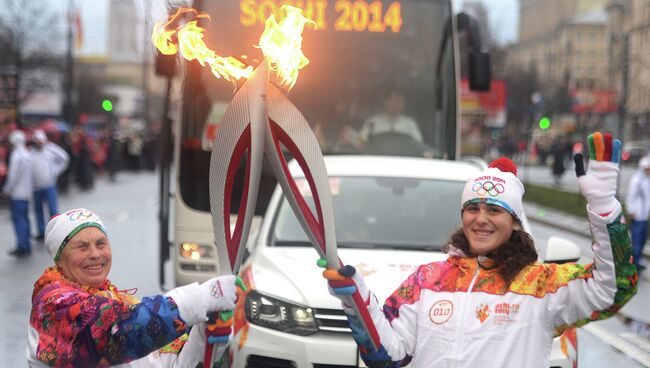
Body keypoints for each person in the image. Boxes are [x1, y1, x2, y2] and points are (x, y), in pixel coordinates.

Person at [321, 132, 637, 367]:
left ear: (514, 221)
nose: (481, 219)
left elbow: (614, 288)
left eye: (494, 211)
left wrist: (604, 207)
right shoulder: (428, 280)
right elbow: (386, 356)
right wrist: (355, 298)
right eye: (473, 208)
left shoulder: (541, 286)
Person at [28, 208, 240, 367]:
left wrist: (201, 340)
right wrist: (200, 299)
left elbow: (152, 362)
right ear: (60, 259)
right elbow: (119, 332)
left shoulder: (112, 298)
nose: (95, 254)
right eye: (81, 247)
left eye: (101, 244)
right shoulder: (53, 304)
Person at [31, 130, 70, 240]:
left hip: (49, 185)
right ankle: (41, 231)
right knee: (38, 210)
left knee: (53, 210)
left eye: (41, 141)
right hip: (36, 186)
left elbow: (65, 158)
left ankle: (55, 230)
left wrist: (56, 171)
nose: (39, 144)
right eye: (37, 141)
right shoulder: (31, 152)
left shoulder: (51, 149)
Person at [2, 130, 33, 257]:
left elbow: (13, 176)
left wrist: (7, 189)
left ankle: (22, 246)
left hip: (17, 194)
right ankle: (26, 244)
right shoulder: (27, 153)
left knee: (19, 220)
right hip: (27, 192)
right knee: (25, 219)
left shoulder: (16, 155)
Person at [358, 88, 423, 145]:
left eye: (399, 101)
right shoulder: (372, 122)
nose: (396, 104)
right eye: (393, 100)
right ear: (386, 103)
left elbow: (418, 145)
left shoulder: (410, 123)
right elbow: (361, 142)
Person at [626, 156, 650, 271]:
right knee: (636, 241)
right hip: (637, 215)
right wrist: (631, 211)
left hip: (644, 216)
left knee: (643, 239)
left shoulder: (646, 179)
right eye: (648, 168)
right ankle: (633, 263)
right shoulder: (637, 180)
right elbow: (631, 196)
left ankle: (638, 260)